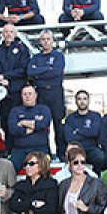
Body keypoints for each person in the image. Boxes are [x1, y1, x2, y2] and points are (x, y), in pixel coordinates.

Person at [0, 23, 31, 153]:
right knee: (6, 123)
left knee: (19, 122)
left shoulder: (22, 49)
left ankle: (21, 150)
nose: (8, 34)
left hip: (17, 92)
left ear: (15, 34)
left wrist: (6, 77)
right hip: (2, 94)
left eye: (11, 32)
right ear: (2, 34)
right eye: (6, 32)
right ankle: (9, 151)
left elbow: (23, 70)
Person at [28, 29, 66, 159]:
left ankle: (61, 154)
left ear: (53, 41)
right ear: (40, 41)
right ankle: (45, 154)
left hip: (55, 93)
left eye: (48, 39)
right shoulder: (36, 57)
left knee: (58, 125)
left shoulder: (58, 56)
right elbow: (30, 72)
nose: (45, 41)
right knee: (42, 124)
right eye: (43, 39)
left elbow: (56, 72)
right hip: (41, 93)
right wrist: (47, 69)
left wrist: (39, 71)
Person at [8, 85, 51, 171]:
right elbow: (13, 129)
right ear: (21, 96)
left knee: (43, 170)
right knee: (9, 169)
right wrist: (33, 127)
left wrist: (23, 123)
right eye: (25, 94)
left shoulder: (44, 109)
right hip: (19, 150)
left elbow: (44, 123)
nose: (27, 96)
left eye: (30, 94)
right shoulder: (15, 111)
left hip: (40, 149)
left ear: (35, 95)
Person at [63, 89, 105, 173]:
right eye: (79, 99)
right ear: (76, 101)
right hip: (75, 149)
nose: (82, 101)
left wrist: (78, 130)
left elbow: (95, 132)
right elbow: (69, 137)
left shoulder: (95, 116)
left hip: (91, 148)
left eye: (84, 99)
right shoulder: (70, 118)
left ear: (88, 101)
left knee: (101, 157)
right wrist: (87, 132)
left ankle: (95, 178)